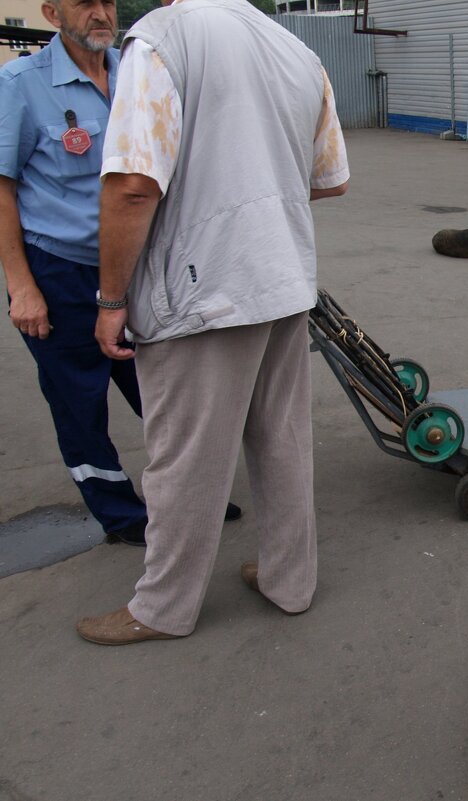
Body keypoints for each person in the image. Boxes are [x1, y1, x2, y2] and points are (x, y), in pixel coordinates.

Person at [74, 0, 349, 645]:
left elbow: (134, 185)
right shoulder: (295, 50)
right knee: (280, 440)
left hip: (202, 289)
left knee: (184, 457)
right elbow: (329, 179)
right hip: (281, 276)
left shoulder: (164, 39)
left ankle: (162, 608)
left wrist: (111, 300)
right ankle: (291, 581)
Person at [0, 0, 242, 547]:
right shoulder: (20, 84)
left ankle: (183, 497)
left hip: (139, 269)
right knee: (79, 404)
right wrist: (21, 286)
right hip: (61, 273)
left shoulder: (138, 68)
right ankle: (122, 516)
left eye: (107, 1)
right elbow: (3, 189)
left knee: (163, 391)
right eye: (84, 2)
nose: (100, 13)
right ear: (51, 11)